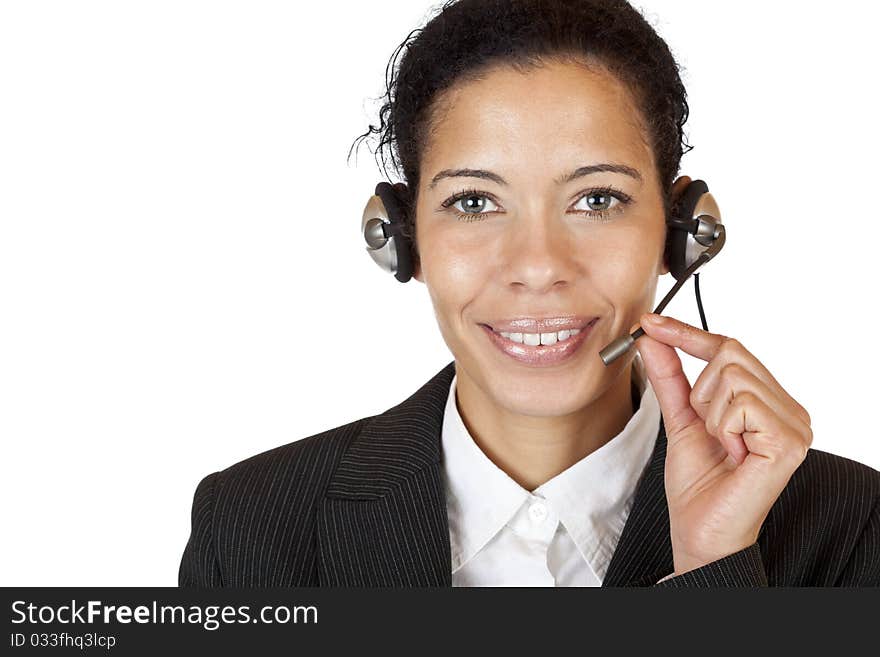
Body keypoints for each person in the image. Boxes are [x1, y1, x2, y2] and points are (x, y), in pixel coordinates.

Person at [179, 0, 880, 587]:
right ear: (402, 238)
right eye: (475, 203)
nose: (539, 265)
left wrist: (713, 573)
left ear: (681, 235)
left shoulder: (847, 524)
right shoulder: (249, 529)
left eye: (597, 198)